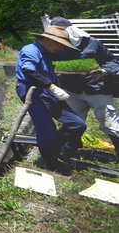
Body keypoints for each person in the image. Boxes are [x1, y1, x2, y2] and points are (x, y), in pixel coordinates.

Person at [15, 24, 87, 173]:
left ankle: (54, 147)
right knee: (46, 128)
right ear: (49, 40)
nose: (61, 48)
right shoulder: (30, 50)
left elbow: (71, 56)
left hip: (47, 89)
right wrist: (52, 87)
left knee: (77, 124)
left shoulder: (48, 52)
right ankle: (51, 162)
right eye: (60, 45)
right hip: (31, 90)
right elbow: (28, 70)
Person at [49, 17, 119, 160]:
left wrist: (104, 71)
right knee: (74, 122)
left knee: (110, 122)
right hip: (71, 91)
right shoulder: (54, 45)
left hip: (97, 90)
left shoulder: (92, 43)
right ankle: (70, 151)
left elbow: (112, 60)